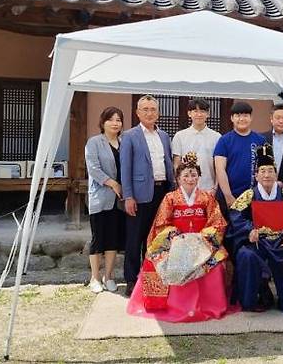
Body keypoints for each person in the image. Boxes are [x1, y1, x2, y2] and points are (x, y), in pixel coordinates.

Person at [127, 152, 233, 322]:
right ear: (178, 178)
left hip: (202, 245)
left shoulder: (207, 198)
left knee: (217, 264)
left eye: (194, 175)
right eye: (186, 176)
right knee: (154, 261)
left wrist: (201, 239)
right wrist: (177, 238)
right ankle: (160, 304)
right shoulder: (170, 198)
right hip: (176, 245)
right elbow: (161, 224)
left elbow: (217, 223)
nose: (190, 179)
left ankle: (209, 305)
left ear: (199, 177)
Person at [229, 144, 283, 316]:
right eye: (262, 171)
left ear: (276, 174)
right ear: (256, 175)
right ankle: (256, 298)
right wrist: (249, 231)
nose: (267, 175)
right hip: (259, 243)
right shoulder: (248, 195)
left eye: (270, 171)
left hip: (282, 242)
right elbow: (235, 216)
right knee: (246, 255)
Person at [120, 95, 175, 296]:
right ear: (137, 113)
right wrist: (128, 196)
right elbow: (125, 168)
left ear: (158, 113)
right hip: (139, 194)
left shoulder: (164, 136)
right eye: (145, 109)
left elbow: (167, 163)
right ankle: (131, 280)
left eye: (153, 109)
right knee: (134, 238)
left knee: (157, 238)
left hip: (162, 192)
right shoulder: (130, 136)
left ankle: (153, 277)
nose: (149, 113)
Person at [84, 107, 126, 293]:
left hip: (120, 200)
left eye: (118, 120)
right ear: (103, 122)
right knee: (98, 238)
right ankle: (95, 277)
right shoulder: (94, 142)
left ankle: (108, 276)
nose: (115, 123)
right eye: (111, 119)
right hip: (101, 197)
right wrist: (113, 184)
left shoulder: (124, 142)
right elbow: (93, 169)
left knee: (113, 239)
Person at [214, 101, 265, 220]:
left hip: (254, 197)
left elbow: (265, 168)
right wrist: (228, 196)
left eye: (245, 115)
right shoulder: (224, 140)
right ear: (232, 118)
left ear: (251, 118)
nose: (242, 119)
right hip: (230, 197)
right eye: (238, 115)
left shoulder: (261, 140)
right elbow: (220, 169)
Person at [171, 97, 221, 193]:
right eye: (195, 111)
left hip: (209, 188)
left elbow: (219, 165)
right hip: (185, 188)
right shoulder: (180, 136)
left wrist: (215, 188)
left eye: (202, 111)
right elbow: (176, 163)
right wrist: (180, 185)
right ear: (189, 113)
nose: (199, 114)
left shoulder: (217, 137)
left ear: (208, 114)